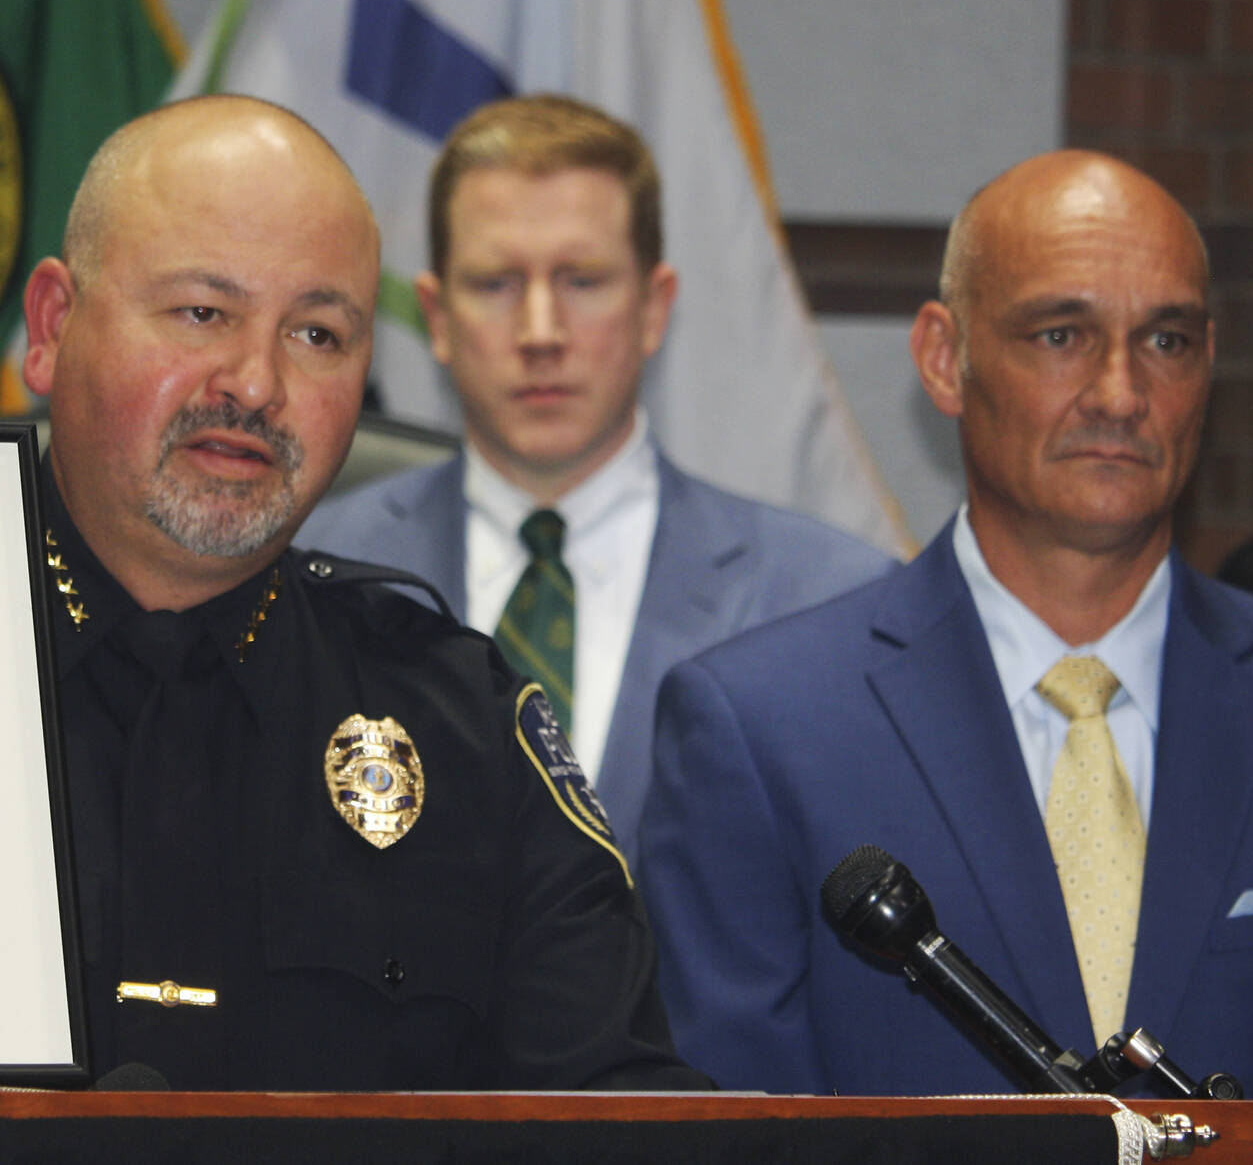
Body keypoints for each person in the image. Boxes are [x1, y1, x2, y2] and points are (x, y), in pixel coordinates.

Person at [636, 150, 1253, 1161]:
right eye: (1061, 335)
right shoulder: (755, 727)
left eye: (1166, 341)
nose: (1119, 391)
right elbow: (731, 1142)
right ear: (940, 358)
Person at [19, 95, 708, 1091]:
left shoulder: (462, 719)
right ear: (52, 326)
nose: (254, 383)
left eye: (316, 335)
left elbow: (615, 1109)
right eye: (202, 312)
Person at [299, 95, 893, 840]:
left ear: (654, 306)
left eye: (582, 281)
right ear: (438, 319)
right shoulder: (309, 578)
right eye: (495, 284)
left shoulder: (826, 601)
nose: (541, 332)